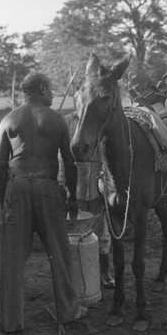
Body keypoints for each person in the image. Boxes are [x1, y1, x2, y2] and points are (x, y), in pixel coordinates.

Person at [0, 72, 87, 334]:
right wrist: (71, 197)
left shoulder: (8, 120)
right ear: (43, 88)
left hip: (18, 186)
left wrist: (5, 201)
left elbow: (1, 166)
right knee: (59, 252)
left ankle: (11, 321)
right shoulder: (56, 120)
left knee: (12, 258)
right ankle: (68, 312)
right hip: (47, 187)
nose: (54, 93)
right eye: (52, 89)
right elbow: (70, 164)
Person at [58, 111, 115, 289]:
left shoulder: (102, 120)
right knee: (75, 229)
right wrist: (62, 182)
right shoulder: (69, 121)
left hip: (98, 181)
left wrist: (108, 185)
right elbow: (62, 154)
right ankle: (76, 272)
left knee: (101, 229)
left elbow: (110, 154)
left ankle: (104, 272)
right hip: (76, 182)